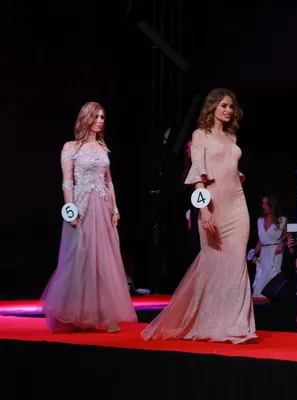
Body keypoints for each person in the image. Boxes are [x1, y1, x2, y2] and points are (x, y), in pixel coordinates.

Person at [142, 88, 257, 344]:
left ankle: (239, 326)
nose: (228, 110)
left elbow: (229, 168)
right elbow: (197, 177)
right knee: (213, 263)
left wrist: (237, 175)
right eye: (224, 105)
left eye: (231, 106)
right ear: (212, 106)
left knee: (237, 263)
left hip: (237, 205)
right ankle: (210, 321)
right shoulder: (200, 135)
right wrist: (204, 210)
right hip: (213, 206)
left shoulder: (231, 137)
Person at [41, 102, 137, 333]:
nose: (101, 121)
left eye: (103, 117)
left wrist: (115, 209)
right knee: (80, 259)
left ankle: (108, 316)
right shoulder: (71, 147)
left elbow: (108, 181)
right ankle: (76, 315)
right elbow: (67, 182)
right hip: (82, 208)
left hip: (102, 208)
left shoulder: (103, 148)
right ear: (86, 118)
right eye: (96, 117)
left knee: (105, 259)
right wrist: (70, 210)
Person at [250, 195, 288, 297]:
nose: (264, 206)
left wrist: (283, 244)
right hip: (263, 256)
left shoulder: (282, 220)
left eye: (266, 204)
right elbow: (261, 241)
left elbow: (290, 239)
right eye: (263, 204)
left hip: (275, 255)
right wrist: (253, 253)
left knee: (271, 283)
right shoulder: (260, 221)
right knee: (260, 285)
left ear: (272, 204)